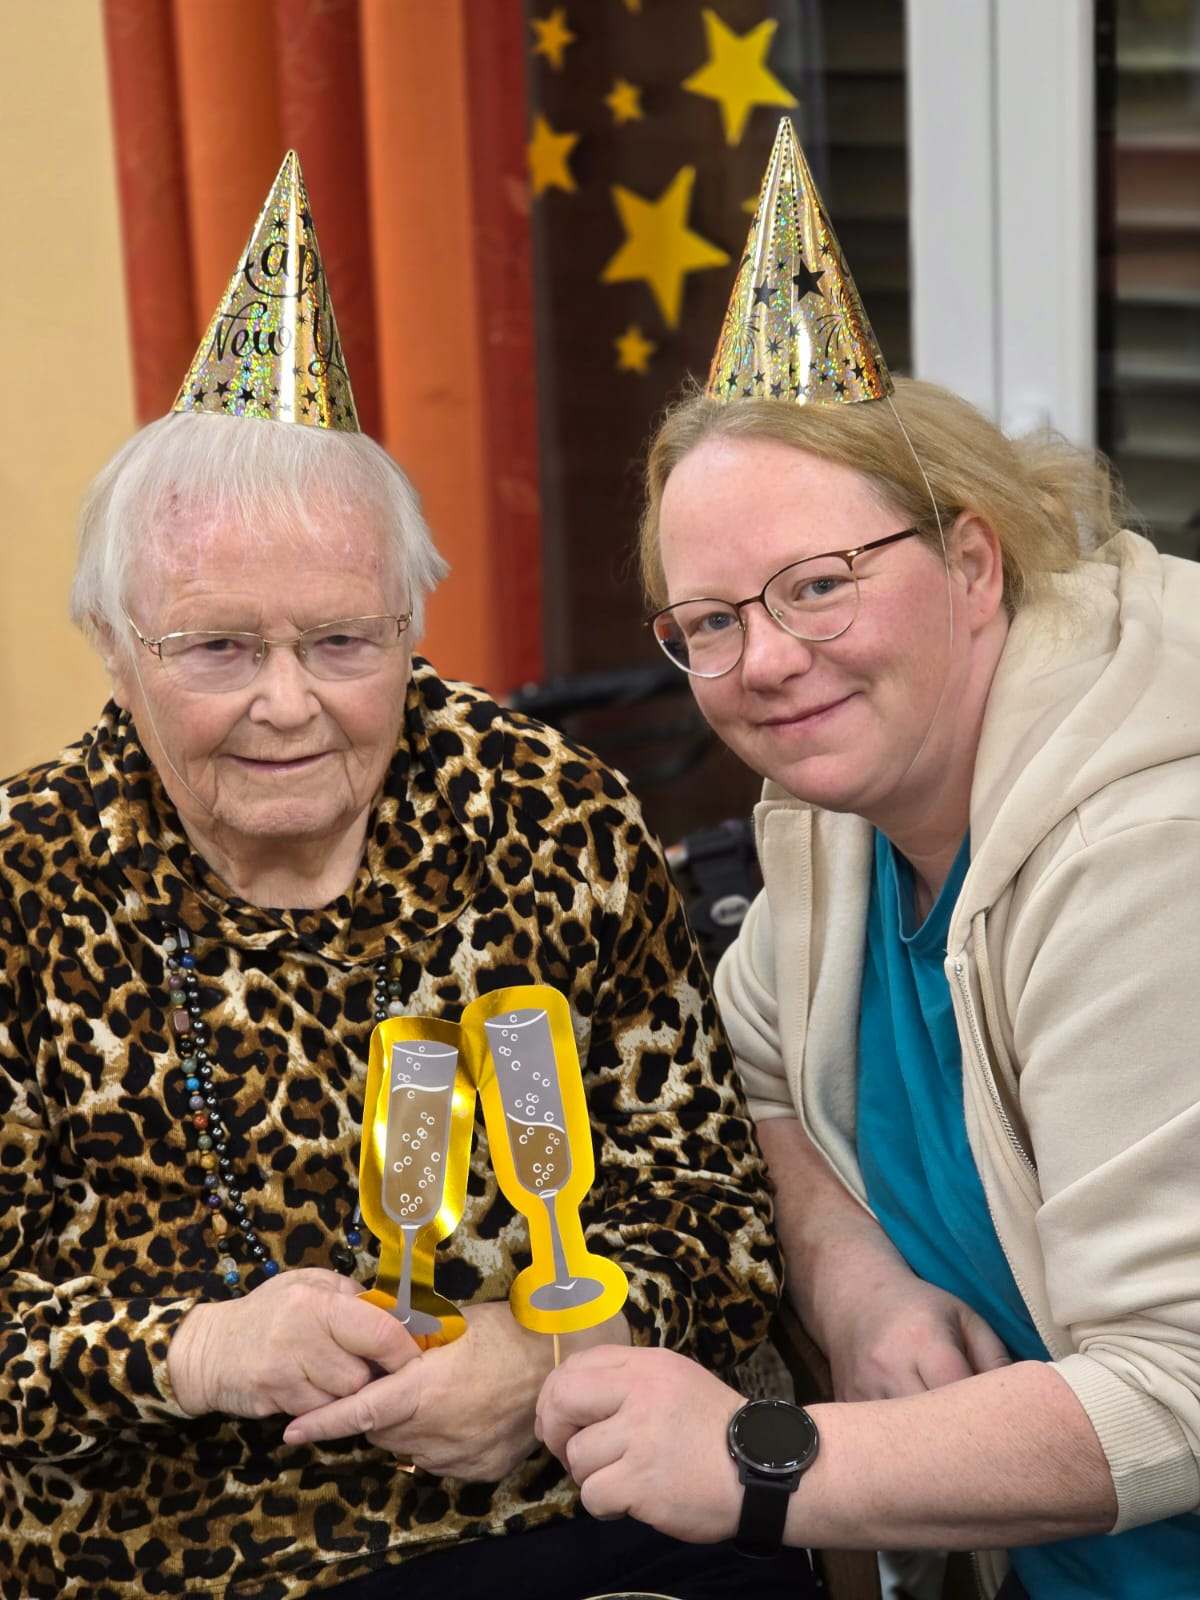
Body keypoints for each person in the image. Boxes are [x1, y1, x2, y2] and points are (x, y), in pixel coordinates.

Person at [0, 153, 809, 1600]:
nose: (290, 703)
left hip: (558, 1508)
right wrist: (190, 1350)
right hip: (171, 1557)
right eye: (218, 650)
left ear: (411, 622)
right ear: (117, 653)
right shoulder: (28, 880)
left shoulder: (551, 817)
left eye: (344, 642)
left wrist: (548, 1348)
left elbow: (714, 1205)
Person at [536, 120, 1200, 1600]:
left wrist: (764, 1464)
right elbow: (762, 1070)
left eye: (819, 586)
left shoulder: (1153, 844)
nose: (767, 661)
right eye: (711, 621)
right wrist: (859, 1279)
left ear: (972, 564)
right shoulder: (845, 822)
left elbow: (1181, 1386)